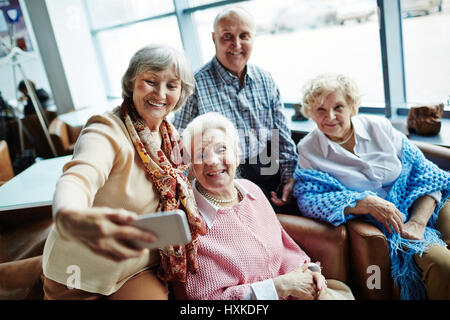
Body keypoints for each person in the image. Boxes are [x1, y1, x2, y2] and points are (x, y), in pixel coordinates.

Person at [41, 44, 207, 300]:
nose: (160, 93)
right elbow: (78, 177)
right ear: (131, 82)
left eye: (172, 86)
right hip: (79, 271)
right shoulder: (106, 128)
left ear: (181, 93)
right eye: (150, 81)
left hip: (137, 267)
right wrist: (69, 217)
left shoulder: (169, 136)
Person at [293, 73, 450, 300]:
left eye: (338, 106)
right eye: (320, 110)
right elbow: (309, 199)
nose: (330, 116)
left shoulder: (379, 127)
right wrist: (363, 202)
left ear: (351, 106)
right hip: (395, 227)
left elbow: (426, 174)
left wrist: (417, 221)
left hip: (430, 203)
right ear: (310, 112)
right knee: (443, 264)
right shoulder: (309, 149)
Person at [172, 112, 354, 300]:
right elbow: (207, 299)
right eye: (201, 154)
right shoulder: (190, 221)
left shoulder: (252, 190)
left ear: (236, 155)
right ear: (191, 165)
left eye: (221, 149)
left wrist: (307, 273)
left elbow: (284, 249)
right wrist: (278, 287)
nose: (212, 160)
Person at [173, 7, 298, 212]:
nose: (236, 45)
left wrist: (289, 178)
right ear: (214, 39)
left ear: (253, 37)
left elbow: (282, 137)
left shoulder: (265, 79)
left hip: (268, 167)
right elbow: (177, 143)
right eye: (227, 36)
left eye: (244, 36)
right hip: (224, 172)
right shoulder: (194, 85)